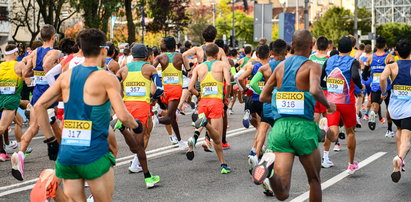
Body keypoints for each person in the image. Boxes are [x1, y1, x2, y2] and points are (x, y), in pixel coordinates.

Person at [29, 28, 149, 202]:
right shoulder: (107, 78)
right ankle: (53, 189)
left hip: (68, 152)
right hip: (94, 152)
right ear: (103, 50)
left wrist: (51, 141)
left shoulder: (66, 76)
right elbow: (123, 116)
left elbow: (39, 105)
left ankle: (52, 187)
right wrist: (137, 126)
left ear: (82, 50)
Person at [253, 30, 335, 201]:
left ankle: (269, 170)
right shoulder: (313, 66)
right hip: (302, 128)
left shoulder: (280, 67)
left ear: (292, 45)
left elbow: (263, 97)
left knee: (282, 193)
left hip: (280, 129)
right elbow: (314, 89)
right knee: (314, 180)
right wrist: (328, 105)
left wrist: (279, 100)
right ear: (311, 46)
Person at [11, 24, 62, 181]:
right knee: (61, 126)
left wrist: (35, 72)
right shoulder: (56, 52)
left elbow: (25, 72)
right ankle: (66, 164)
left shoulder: (35, 52)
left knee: (33, 127)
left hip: (37, 93)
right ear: (53, 37)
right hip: (52, 93)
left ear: (41, 37)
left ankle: (19, 154)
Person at [114, 44, 162, 187]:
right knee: (139, 146)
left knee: (137, 145)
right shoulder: (150, 68)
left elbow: (114, 88)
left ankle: (121, 125)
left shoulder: (122, 70)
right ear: (146, 55)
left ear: (132, 55)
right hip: (142, 108)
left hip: (126, 108)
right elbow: (159, 89)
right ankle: (148, 178)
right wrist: (153, 99)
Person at [186, 44, 232, 174]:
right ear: (217, 54)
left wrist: (198, 94)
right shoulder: (222, 65)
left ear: (206, 54)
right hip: (216, 101)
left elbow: (190, 88)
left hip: (203, 102)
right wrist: (226, 97)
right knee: (217, 139)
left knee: (204, 123)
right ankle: (223, 165)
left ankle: (195, 136)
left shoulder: (199, 67)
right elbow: (228, 83)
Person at [320, 36, 363, 172]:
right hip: (346, 101)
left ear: (337, 48)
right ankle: (351, 164)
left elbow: (321, 78)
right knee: (350, 132)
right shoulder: (353, 61)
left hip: (331, 101)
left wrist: (326, 86)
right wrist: (359, 86)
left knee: (332, 130)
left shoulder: (329, 60)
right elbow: (355, 76)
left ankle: (325, 151)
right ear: (351, 49)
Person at [380, 39, 411, 183]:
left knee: (399, 129)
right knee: (407, 139)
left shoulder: (391, 66)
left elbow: (382, 78)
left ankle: (398, 166)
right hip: (409, 109)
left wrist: (384, 91)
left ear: (397, 52)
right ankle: (399, 158)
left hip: (395, 109)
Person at [237, 45, 270, 166]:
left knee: (257, 126)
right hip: (263, 100)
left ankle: (248, 114)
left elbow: (240, 78)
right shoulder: (270, 67)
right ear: (269, 54)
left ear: (257, 55)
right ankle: (253, 150)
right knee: (262, 127)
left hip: (251, 98)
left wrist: (246, 89)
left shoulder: (252, 66)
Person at [153, 36, 188, 150]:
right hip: (176, 90)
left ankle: (180, 141)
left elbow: (150, 69)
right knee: (169, 117)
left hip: (164, 89)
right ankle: (154, 120)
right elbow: (187, 70)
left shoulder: (160, 57)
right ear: (175, 46)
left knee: (172, 117)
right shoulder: (180, 56)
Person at [363, 36, 395, 137]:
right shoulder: (389, 57)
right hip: (387, 85)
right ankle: (389, 130)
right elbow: (393, 72)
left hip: (375, 85)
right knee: (388, 108)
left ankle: (373, 113)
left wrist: (370, 77)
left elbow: (364, 74)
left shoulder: (370, 58)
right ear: (385, 45)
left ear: (376, 45)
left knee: (375, 105)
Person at [0, 44, 23, 161]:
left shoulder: (0, 66)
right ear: (15, 53)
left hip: (1, 98)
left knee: (20, 120)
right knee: (2, 128)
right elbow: (29, 81)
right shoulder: (19, 65)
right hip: (11, 100)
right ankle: (20, 149)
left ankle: (21, 148)